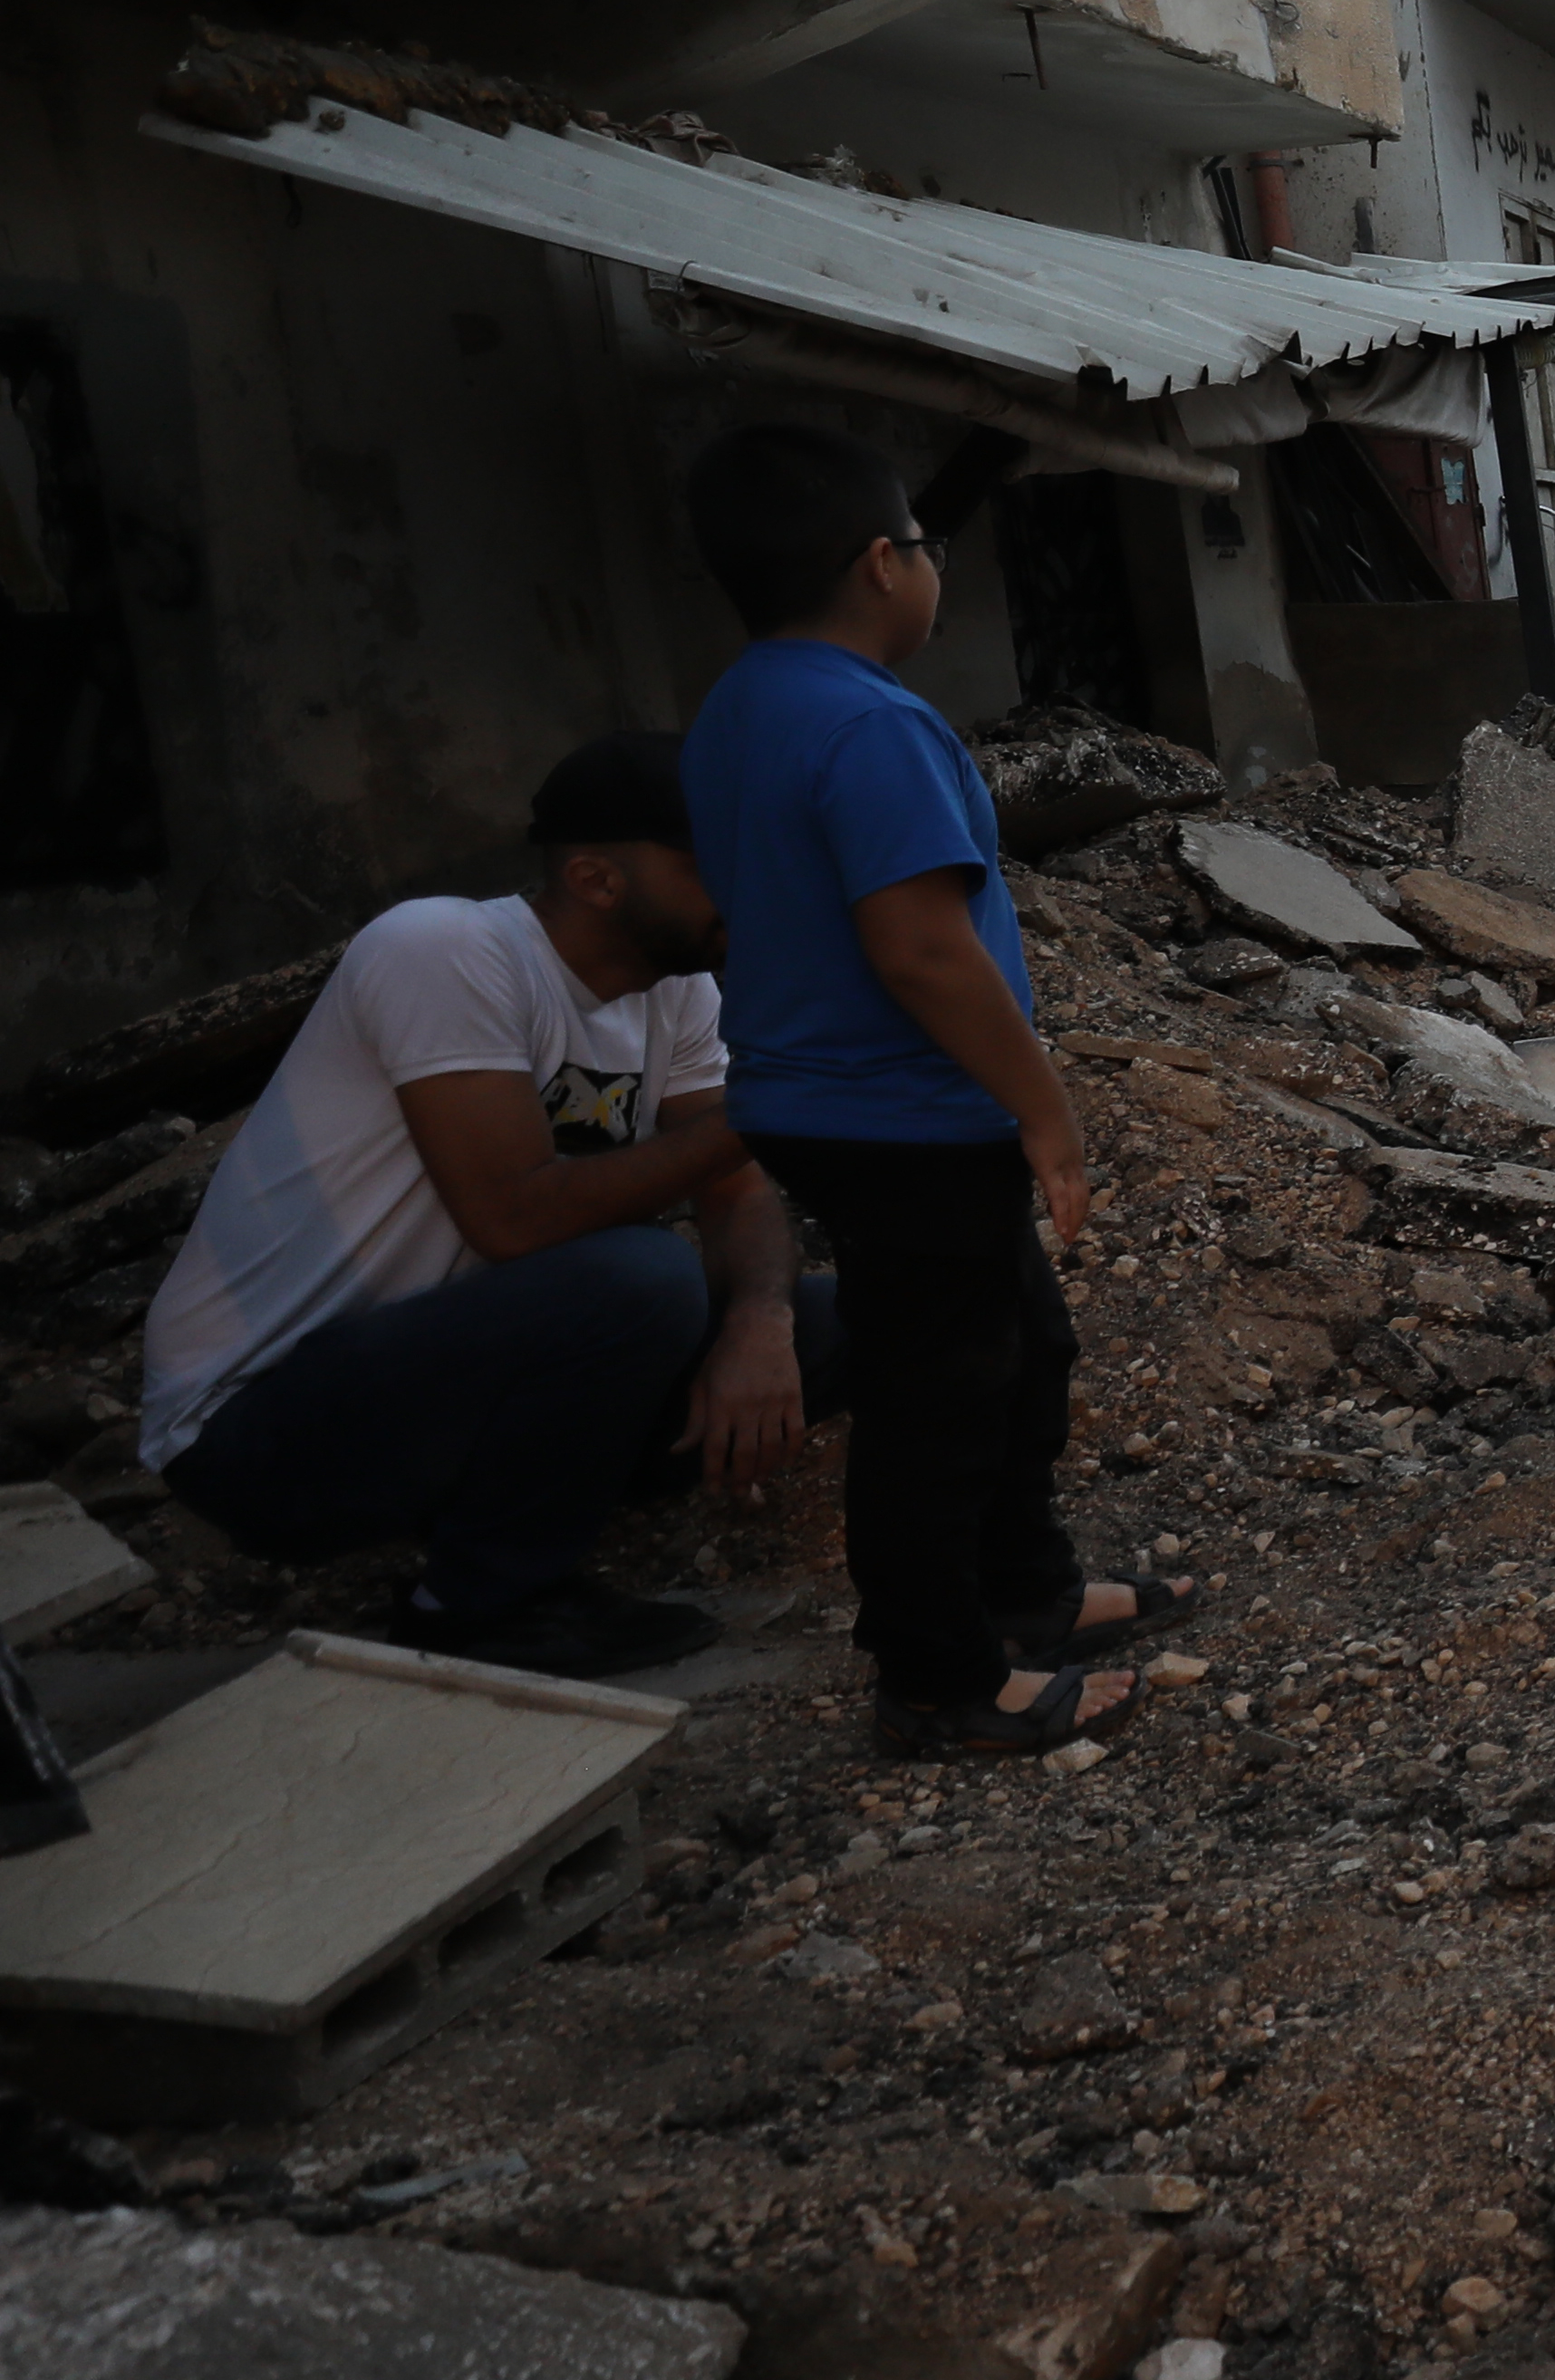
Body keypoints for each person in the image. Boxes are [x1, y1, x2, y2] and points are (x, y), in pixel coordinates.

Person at [676, 422, 1183, 1761]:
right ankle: (939, 1676)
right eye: (924, 544)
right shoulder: (869, 723)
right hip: (900, 1108)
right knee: (941, 1396)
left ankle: (1030, 1591)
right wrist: (1045, 1107)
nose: (932, 569)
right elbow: (920, 949)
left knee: (1023, 1348)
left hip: (833, 1100)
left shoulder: (741, 709)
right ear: (878, 565)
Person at [139, 733, 831, 1681]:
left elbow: (734, 1184)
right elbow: (513, 1219)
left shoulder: (679, 992)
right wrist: (773, 1104)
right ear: (595, 879)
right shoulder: (442, 949)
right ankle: (476, 1605)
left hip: (458, 1381)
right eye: (720, 862)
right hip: (257, 1425)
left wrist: (761, 1321)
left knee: (844, 1314)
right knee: (644, 1278)